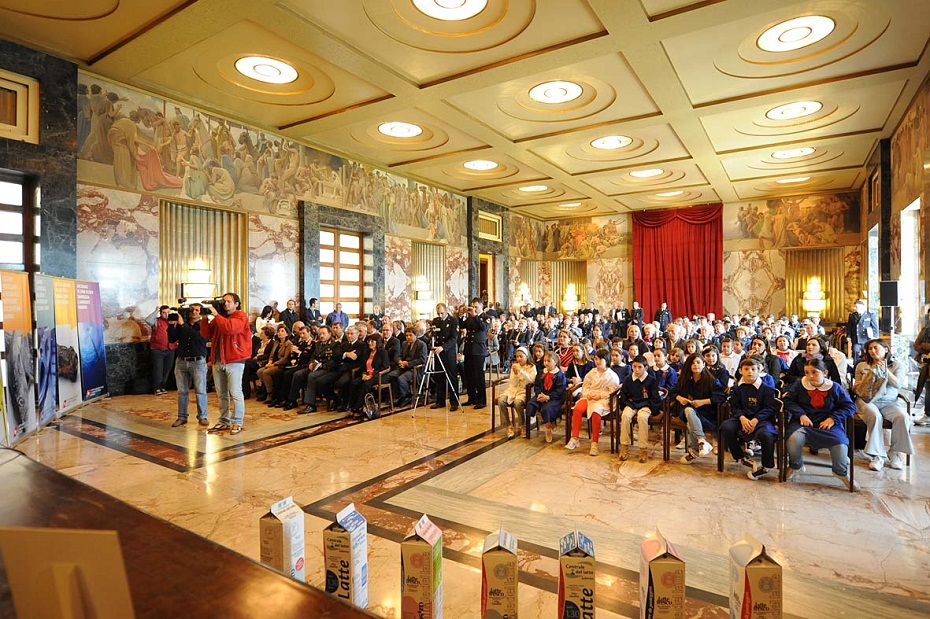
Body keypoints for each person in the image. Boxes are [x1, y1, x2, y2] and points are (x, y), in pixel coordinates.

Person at [784, 357, 859, 491]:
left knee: (840, 444)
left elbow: (849, 406)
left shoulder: (834, 387)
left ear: (824, 372)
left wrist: (833, 418)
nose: (810, 376)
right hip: (804, 422)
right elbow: (789, 401)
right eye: (806, 372)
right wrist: (801, 414)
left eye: (814, 372)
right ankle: (796, 465)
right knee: (794, 439)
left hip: (828, 422)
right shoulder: (800, 384)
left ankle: (840, 472)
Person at [853, 339, 913, 471]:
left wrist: (886, 371)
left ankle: (894, 453)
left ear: (886, 349)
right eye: (870, 348)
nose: (872, 351)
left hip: (890, 402)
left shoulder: (897, 366)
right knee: (875, 416)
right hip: (867, 401)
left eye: (876, 348)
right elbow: (856, 388)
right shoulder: (862, 365)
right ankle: (878, 455)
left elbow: (898, 384)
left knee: (903, 417)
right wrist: (858, 384)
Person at [720, 357, 778, 480]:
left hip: (762, 420)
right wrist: (742, 418)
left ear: (759, 370)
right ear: (741, 371)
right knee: (726, 427)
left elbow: (769, 409)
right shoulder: (737, 388)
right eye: (746, 369)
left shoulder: (767, 389)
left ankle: (766, 466)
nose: (750, 372)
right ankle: (741, 457)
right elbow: (735, 406)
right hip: (742, 418)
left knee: (766, 435)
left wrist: (755, 420)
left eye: (753, 369)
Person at [201, 293, 251, 435]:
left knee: (235, 392)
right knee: (221, 394)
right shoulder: (220, 318)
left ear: (236, 304)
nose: (226, 304)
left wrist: (216, 315)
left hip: (234, 360)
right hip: (218, 360)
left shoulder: (240, 316)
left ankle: (237, 422)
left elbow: (230, 328)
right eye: (224, 301)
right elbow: (206, 334)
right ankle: (224, 421)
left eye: (229, 301)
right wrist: (204, 318)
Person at [565, 349, 620, 456]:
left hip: (603, 400)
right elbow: (585, 386)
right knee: (577, 409)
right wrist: (588, 394)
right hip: (589, 397)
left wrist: (600, 395)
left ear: (606, 360)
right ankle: (574, 437)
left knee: (595, 412)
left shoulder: (612, 375)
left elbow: (612, 391)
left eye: (600, 359)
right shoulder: (591, 373)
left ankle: (595, 443)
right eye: (596, 359)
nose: (597, 361)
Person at [674, 353, 726, 464]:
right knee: (688, 411)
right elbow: (673, 392)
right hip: (687, 411)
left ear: (703, 364)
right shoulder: (684, 379)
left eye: (698, 362)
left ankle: (694, 452)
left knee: (690, 423)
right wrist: (680, 398)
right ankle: (702, 441)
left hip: (706, 413)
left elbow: (720, 397)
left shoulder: (711, 380)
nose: (695, 365)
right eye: (692, 363)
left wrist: (703, 402)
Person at [167, 303, 209, 427]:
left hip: (198, 362)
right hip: (181, 361)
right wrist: (170, 325)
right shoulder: (181, 324)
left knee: (200, 390)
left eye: (197, 310)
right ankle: (182, 417)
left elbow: (198, 338)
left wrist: (182, 325)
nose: (194, 312)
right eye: (192, 310)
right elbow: (172, 339)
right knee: (182, 391)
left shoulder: (204, 325)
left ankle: (202, 416)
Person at [617, 354, 661, 463]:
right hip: (631, 403)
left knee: (642, 418)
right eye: (634, 366)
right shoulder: (628, 379)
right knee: (625, 416)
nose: (636, 370)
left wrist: (653, 409)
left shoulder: (651, 380)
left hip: (646, 404)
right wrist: (626, 403)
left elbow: (655, 397)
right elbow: (624, 394)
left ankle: (643, 449)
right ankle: (624, 446)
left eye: (639, 367)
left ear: (645, 368)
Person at [525, 351, 567, 444]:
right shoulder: (541, 372)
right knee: (531, 404)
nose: (546, 363)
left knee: (547, 408)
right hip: (541, 395)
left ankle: (548, 429)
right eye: (545, 361)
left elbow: (560, 390)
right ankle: (545, 420)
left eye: (548, 361)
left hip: (554, 398)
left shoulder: (559, 375)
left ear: (555, 362)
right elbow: (537, 385)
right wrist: (539, 394)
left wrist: (548, 397)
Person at [497, 347, 537, 439]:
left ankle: (522, 425)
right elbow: (513, 383)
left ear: (526, 356)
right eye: (517, 357)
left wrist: (521, 372)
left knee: (517, 403)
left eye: (521, 356)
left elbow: (530, 381)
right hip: (513, 390)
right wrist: (514, 374)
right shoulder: (515, 365)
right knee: (501, 400)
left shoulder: (532, 367)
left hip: (525, 391)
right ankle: (508, 426)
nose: (518, 359)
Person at [348, 333, 390, 417]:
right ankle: (352, 406)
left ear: (378, 342)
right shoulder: (367, 352)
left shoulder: (383, 352)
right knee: (354, 383)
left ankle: (358, 407)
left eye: (372, 341)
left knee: (366, 385)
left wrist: (372, 375)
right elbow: (363, 366)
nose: (370, 343)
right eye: (369, 341)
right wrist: (364, 374)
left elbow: (385, 366)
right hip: (367, 374)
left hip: (379, 376)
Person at [429, 303, 460, 411]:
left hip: (448, 352)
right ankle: (440, 401)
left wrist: (443, 347)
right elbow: (434, 335)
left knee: (451, 377)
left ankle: (454, 402)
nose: (440, 315)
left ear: (446, 310)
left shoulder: (453, 321)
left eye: (442, 313)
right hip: (438, 352)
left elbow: (453, 338)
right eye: (438, 313)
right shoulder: (436, 321)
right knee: (439, 377)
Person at [387, 327, 428, 407]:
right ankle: (397, 396)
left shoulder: (421, 344)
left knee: (401, 379)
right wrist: (400, 361)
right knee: (390, 376)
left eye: (410, 335)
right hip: (403, 367)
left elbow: (422, 360)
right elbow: (399, 355)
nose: (408, 337)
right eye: (406, 335)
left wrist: (408, 363)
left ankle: (406, 396)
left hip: (415, 369)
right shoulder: (404, 344)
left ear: (415, 335)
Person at [461, 298, 490, 409]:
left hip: (478, 350)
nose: (473, 309)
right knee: (468, 374)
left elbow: (483, 327)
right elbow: (462, 325)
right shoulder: (470, 317)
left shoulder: (486, 318)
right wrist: (461, 314)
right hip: (469, 349)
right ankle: (471, 397)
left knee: (478, 375)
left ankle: (482, 400)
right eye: (472, 306)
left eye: (476, 307)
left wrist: (475, 316)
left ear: (481, 307)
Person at [146, 305, 177, 395]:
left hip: (170, 349)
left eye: (168, 312)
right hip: (158, 349)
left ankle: (163, 386)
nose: (166, 315)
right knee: (158, 369)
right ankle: (157, 387)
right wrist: (156, 311)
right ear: (160, 313)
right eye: (164, 313)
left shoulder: (173, 322)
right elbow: (148, 320)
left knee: (167, 369)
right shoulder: (156, 321)